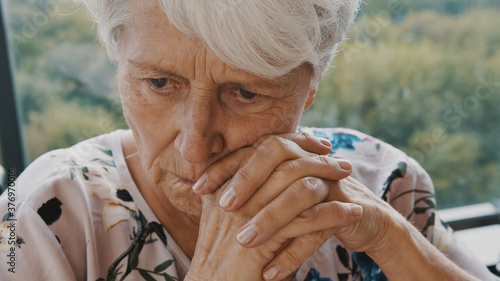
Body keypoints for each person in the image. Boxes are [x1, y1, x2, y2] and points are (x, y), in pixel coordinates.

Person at [0, 0, 497, 280]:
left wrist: (390, 240)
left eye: (245, 92)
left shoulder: (386, 181)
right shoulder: (38, 218)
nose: (195, 147)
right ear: (118, 59)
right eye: (159, 83)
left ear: (309, 87)